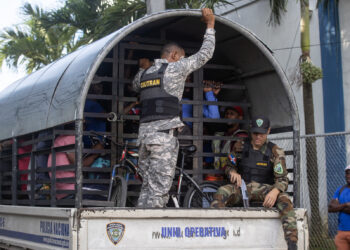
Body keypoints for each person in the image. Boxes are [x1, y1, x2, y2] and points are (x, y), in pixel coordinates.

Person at [132, 8, 215, 208]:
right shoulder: (176, 68)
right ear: (175, 55)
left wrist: (143, 66)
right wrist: (210, 25)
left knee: (147, 187)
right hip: (162, 138)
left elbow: (135, 87)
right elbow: (205, 54)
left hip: (143, 139)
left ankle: (140, 229)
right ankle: (151, 234)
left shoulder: (142, 75)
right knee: (159, 191)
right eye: (182, 56)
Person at [211, 116, 298, 250]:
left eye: (261, 133)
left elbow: (283, 179)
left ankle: (292, 244)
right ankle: (218, 237)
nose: (258, 137)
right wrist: (232, 172)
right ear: (251, 131)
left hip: (267, 191)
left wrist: (275, 192)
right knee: (221, 192)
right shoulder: (240, 146)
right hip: (243, 189)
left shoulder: (275, 151)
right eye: (255, 133)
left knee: (286, 201)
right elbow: (229, 165)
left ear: (268, 131)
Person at [328, 165, 350, 250]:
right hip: (342, 231)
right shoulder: (340, 190)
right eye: (347, 173)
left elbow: (335, 207)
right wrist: (345, 205)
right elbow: (330, 208)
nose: (348, 176)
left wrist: (338, 207)